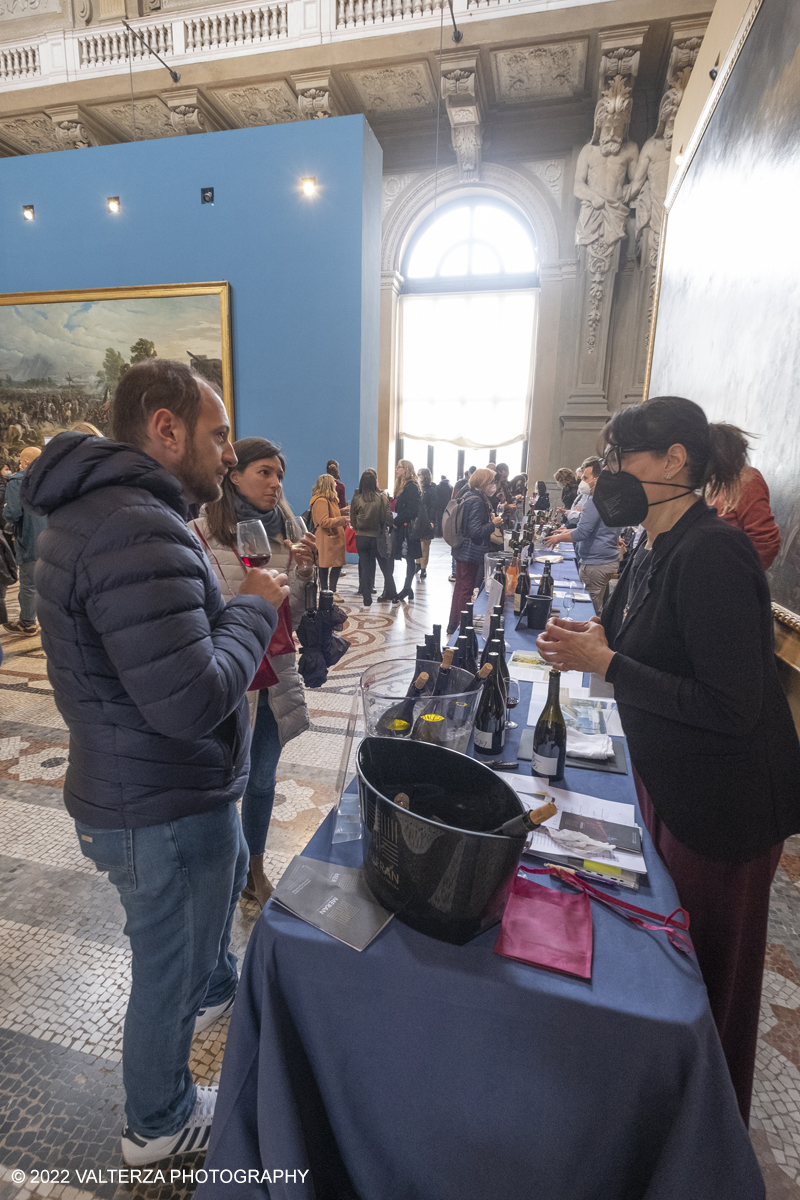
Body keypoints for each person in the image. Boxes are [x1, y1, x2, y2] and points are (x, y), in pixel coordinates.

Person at [22, 358, 289, 1164]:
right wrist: (253, 608)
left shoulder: (118, 511)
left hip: (162, 789)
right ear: (165, 430)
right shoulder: (134, 525)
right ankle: (157, 1121)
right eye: (218, 437)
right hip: (159, 805)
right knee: (164, 969)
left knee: (200, 936)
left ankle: (213, 992)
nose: (228, 454)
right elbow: (189, 699)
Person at [536, 395, 800, 1125]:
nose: (607, 476)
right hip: (677, 785)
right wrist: (585, 638)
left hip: (728, 807)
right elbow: (629, 641)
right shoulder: (656, 543)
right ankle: (662, 1114)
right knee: (670, 962)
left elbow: (731, 704)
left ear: (673, 461)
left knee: (711, 987)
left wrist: (609, 663)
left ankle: (705, 1138)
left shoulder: (713, 550)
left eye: (622, 460)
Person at [190, 437, 314, 907]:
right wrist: (247, 599)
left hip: (275, 672)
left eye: (279, 474)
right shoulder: (199, 532)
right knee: (222, 784)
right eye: (264, 471)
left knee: (262, 779)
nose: (275, 482)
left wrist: (303, 573)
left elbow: (294, 616)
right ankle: (223, 869)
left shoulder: (290, 528)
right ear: (235, 475)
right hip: (225, 674)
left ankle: (253, 870)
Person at [545, 458, 622, 613]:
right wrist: (566, 532)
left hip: (595, 562)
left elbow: (583, 532)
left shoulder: (595, 501)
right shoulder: (612, 498)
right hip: (608, 559)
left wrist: (558, 538)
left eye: (586, 478)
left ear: (598, 479)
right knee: (599, 604)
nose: (582, 482)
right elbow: (597, 529)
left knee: (589, 610)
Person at [704, 425, 781, 570]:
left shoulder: (746, 480)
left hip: (731, 574)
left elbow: (766, 540)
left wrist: (739, 572)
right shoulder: (713, 483)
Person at [447, 467, 504, 633]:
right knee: (465, 589)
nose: (494, 485)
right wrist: (493, 524)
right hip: (470, 550)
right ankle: (461, 626)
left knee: (460, 587)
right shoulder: (477, 501)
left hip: (462, 548)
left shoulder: (468, 495)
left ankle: (454, 623)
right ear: (484, 482)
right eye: (492, 481)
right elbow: (475, 531)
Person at [3, 445, 47, 635]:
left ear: (26, 462)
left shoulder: (18, 481)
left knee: (29, 583)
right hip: (53, 539)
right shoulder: (51, 479)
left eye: (21, 461)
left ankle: (28, 622)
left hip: (30, 538)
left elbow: (12, 513)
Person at [350, 469, 395, 605]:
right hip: (377, 537)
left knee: (365, 567)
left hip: (361, 537)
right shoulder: (382, 498)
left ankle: (367, 598)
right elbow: (388, 518)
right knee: (385, 568)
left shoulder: (357, 498)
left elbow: (352, 522)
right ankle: (394, 595)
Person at [310, 474, 347, 595]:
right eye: (333, 483)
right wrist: (342, 519)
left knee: (336, 564)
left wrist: (342, 511)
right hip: (326, 537)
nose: (335, 485)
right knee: (324, 566)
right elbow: (324, 521)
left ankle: (331, 590)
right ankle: (327, 591)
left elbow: (331, 514)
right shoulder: (321, 500)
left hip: (332, 537)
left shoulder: (329, 499)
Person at [391, 459, 422, 603]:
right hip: (404, 526)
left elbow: (411, 509)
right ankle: (407, 588)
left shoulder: (411, 487)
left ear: (406, 469)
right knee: (408, 558)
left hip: (408, 528)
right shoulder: (405, 486)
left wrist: (396, 521)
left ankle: (406, 588)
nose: (396, 469)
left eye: (399, 467)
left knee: (410, 558)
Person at [415, 467, 437, 579]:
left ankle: (423, 567)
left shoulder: (432, 489)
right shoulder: (418, 488)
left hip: (427, 519)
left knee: (425, 545)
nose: (419, 477)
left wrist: (431, 520)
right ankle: (417, 563)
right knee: (417, 542)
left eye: (421, 475)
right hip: (417, 519)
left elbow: (433, 506)